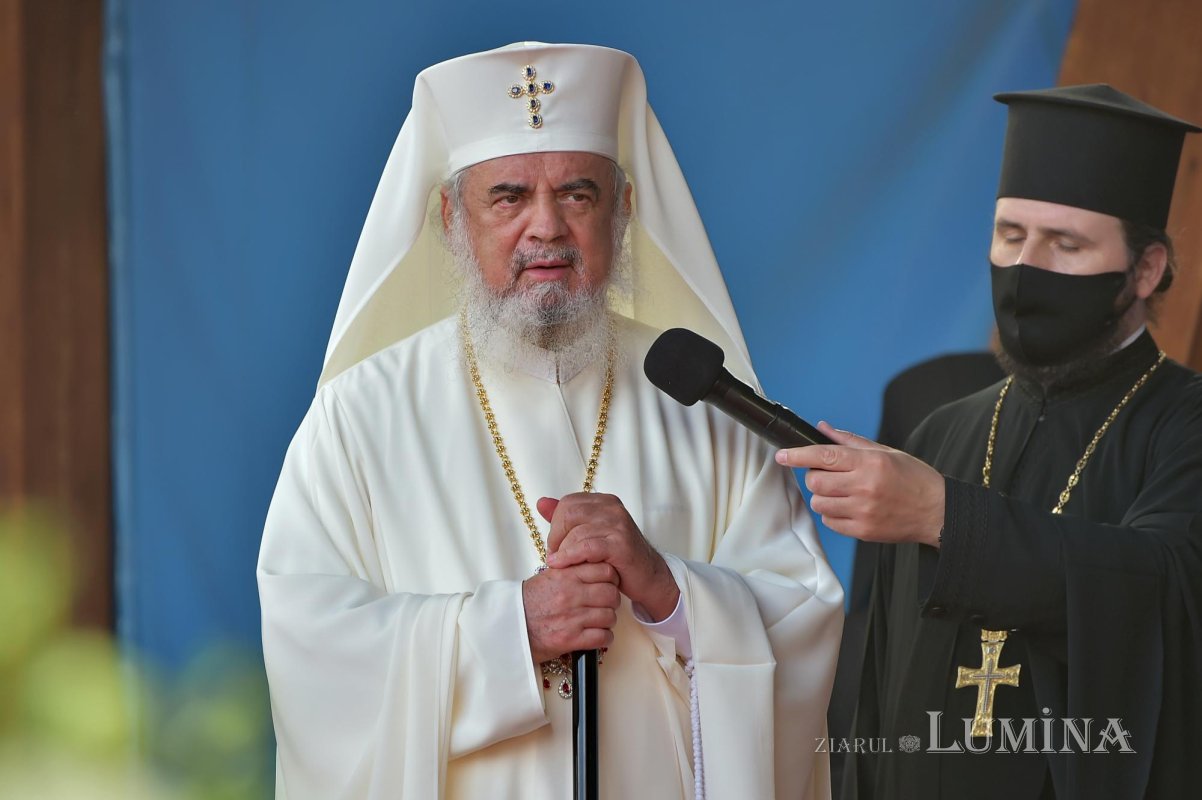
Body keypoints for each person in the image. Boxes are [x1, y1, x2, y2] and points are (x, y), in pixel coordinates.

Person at [258, 42, 843, 800]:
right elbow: (311, 655)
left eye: (578, 194)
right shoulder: (359, 416)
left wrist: (668, 595)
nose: (547, 230)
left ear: (624, 211)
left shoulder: (706, 403)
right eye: (507, 196)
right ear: (449, 218)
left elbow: (803, 621)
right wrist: (508, 633)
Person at [777, 84, 1202, 799]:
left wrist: (944, 516)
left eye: (1065, 245)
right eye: (1010, 236)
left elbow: (1166, 591)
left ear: (1146, 270)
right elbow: (879, 668)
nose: (1026, 267)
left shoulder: (1184, 423)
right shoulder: (942, 428)